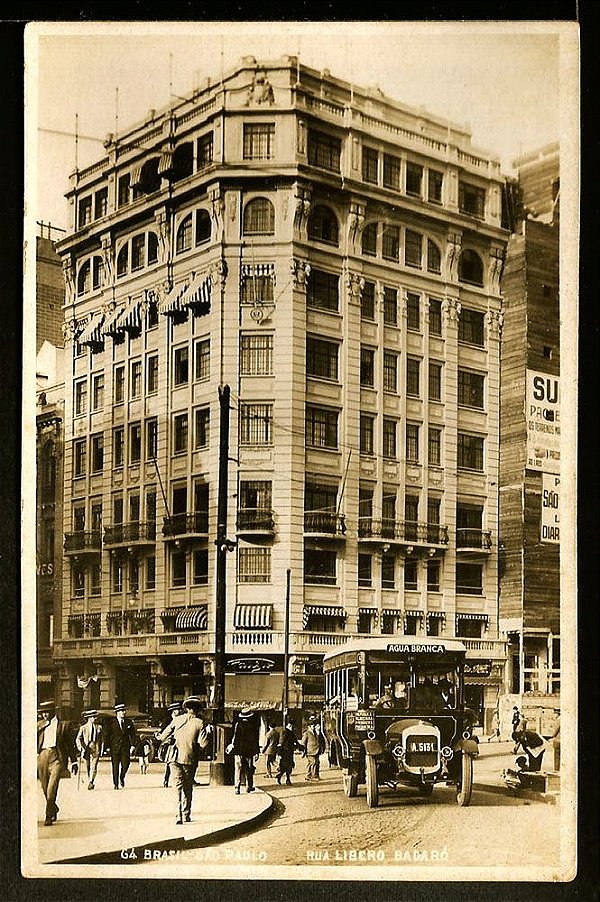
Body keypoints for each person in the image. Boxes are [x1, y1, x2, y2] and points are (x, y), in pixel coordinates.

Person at [155, 696, 212, 824]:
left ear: (186, 708)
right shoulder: (200, 723)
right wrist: (208, 733)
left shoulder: (177, 720)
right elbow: (203, 744)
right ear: (198, 710)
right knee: (187, 786)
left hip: (173, 757)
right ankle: (186, 814)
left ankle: (178, 814)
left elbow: (162, 736)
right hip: (189, 759)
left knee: (177, 786)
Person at [37, 700, 78, 826]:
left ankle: (48, 816)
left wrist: (74, 761)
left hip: (57, 758)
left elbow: (70, 745)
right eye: (43, 713)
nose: (44, 715)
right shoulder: (39, 725)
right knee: (44, 787)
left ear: (53, 712)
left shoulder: (63, 725)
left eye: (47, 712)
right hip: (42, 756)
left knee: (52, 787)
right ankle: (53, 807)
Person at [227, 708, 260, 794]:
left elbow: (234, 738)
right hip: (249, 752)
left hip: (238, 751)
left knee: (237, 769)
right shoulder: (252, 726)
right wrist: (257, 752)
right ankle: (248, 786)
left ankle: (237, 788)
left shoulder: (238, 724)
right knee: (248, 769)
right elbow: (254, 740)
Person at [106, 703, 137, 790]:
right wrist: (107, 747)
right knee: (115, 766)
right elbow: (107, 735)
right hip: (114, 747)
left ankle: (122, 777)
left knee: (126, 764)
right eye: (121, 711)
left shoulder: (129, 722)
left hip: (125, 747)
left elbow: (133, 734)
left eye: (124, 711)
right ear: (117, 712)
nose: (123, 712)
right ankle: (115, 784)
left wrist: (133, 745)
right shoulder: (111, 722)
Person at [75, 708, 103, 789]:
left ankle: (91, 781)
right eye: (93, 717)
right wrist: (80, 748)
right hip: (86, 749)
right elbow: (78, 738)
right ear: (89, 718)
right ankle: (88, 779)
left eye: (95, 717)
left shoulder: (99, 727)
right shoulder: (83, 728)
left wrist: (101, 749)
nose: (95, 718)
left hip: (95, 748)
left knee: (94, 766)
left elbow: (102, 740)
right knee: (87, 766)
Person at [157, 701, 184, 787]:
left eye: (179, 710)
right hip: (170, 745)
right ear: (173, 711)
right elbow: (163, 733)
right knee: (170, 763)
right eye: (176, 710)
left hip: (180, 743)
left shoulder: (182, 720)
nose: (178, 712)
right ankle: (166, 779)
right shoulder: (167, 721)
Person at [275, 720, 302, 785]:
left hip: (290, 752)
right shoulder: (285, 732)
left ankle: (281, 776)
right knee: (286, 766)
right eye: (291, 726)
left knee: (288, 766)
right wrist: (279, 752)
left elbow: (295, 741)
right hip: (285, 752)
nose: (292, 727)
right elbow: (281, 742)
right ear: (288, 725)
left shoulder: (291, 733)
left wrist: (300, 747)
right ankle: (287, 779)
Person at [300, 716, 326, 781]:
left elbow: (319, 740)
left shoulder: (315, 732)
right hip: (310, 751)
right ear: (309, 727)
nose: (313, 727)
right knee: (313, 762)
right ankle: (312, 775)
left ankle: (313, 775)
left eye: (313, 726)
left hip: (317, 750)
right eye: (312, 726)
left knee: (317, 763)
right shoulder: (306, 733)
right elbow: (303, 743)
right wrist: (303, 751)